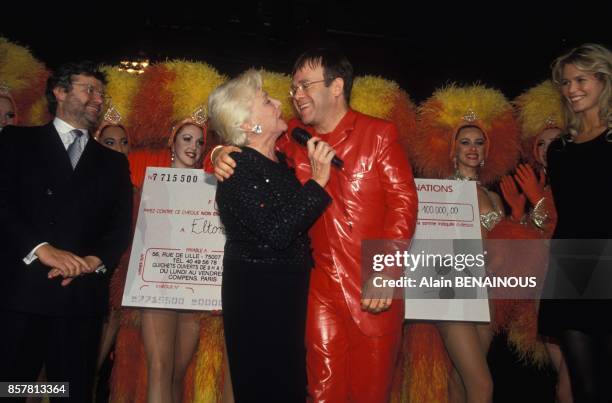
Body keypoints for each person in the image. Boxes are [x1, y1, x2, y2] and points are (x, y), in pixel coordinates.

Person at [213, 49, 418, 402]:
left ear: (336, 86)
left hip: (369, 287)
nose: (295, 96)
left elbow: (404, 204)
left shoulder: (378, 134)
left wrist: (385, 269)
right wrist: (216, 155)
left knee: (370, 394)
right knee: (320, 394)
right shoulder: (291, 137)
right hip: (315, 292)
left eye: (304, 85)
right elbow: (242, 144)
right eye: (293, 88)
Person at [0, 61, 133, 402]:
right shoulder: (16, 141)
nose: (97, 98)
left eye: (100, 92)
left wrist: (92, 260)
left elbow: (119, 227)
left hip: (80, 300)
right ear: (59, 92)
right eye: (88, 89)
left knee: (70, 393)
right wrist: (41, 249)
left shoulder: (113, 162)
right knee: (12, 389)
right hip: (22, 295)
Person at [208, 69, 334, 401]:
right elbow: (278, 230)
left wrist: (215, 152)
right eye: (266, 100)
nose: (279, 103)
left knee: (287, 385)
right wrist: (318, 182)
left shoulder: (279, 159)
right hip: (258, 294)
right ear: (248, 125)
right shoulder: (238, 166)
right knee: (267, 387)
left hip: (284, 291)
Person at [410, 84, 521, 403]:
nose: (472, 148)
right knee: (482, 386)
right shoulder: (437, 192)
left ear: (488, 150)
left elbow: (506, 250)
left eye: (479, 142)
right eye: (465, 142)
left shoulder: (495, 197)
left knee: (460, 380)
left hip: (486, 295)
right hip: (452, 293)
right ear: (452, 150)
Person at [538, 43, 612, 402]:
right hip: (572, 267)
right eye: (565, 83)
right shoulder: (560, 148)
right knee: (586, 388)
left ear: (604, 81)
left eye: (580, 80)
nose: (571, 90)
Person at [140, 112, 207, 403]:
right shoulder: (151, 184)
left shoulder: (212, 187)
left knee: (179, 372)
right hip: (156, 285)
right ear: (173, 141)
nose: (194, 146)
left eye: (200, 142)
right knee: (159, 368)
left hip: (194, 287)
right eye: (187, 138)